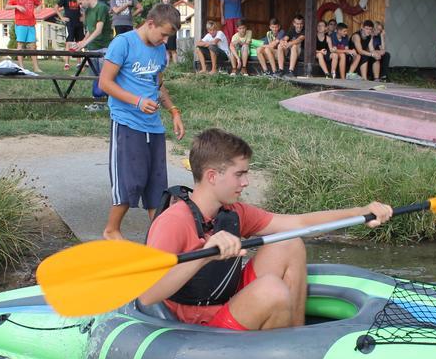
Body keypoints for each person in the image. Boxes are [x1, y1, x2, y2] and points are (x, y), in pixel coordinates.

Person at [142, 128, 392, 330]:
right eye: (239, 174)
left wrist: (359, 212)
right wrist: (204, 257)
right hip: (195, 328)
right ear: (212, 176)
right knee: (271, 289)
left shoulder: (233, 212)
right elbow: (147, 295)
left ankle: (298, 339)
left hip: (225, 304)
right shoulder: (173, 222)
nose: (246, 182)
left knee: (288, 242)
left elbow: (299, 224)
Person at [97, 3, 186, 240]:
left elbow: (158, 85)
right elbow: (104, 83)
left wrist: (174, 111)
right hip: (126, 122)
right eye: (163, 34)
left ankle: (159, 236)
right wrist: (136, 101)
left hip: (153, 126)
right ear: (150, 23)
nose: (165, 41)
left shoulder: (159, 51)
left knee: (156, 183)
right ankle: (112, 230)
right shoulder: (123, 43)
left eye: (169, 36)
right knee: (130, 180)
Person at [5, 0, 44, 73]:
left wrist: (39, 7)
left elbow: (39, 3)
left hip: (31, 23)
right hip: (21, 23)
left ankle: (36, 67)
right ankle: (21, 67)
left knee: (33, 46)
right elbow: (6, 7)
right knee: (20, 44)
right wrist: (16, 6)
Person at [72, 0, 109, 76]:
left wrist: (84, 43)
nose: (80, 6)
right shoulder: (88, 11)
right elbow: (91, 30)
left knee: (103, 79)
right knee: (93, 79)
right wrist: (82, 42)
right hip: (92, 48)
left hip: (103, 48)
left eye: (80, 3)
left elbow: (98, 30)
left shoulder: (101, 7)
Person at [57, 0, 84, 70]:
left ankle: (79, 63)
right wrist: (62, 17)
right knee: (69, 42)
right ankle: (66, 63)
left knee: (79, 42)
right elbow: (55, 8)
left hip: (79, 23)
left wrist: (83, 17)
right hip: (70, 23)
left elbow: (83, 9)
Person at [161, 0, 178, 65]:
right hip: (163, 32)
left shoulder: (174, 10)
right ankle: (167, 66)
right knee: (166, 50)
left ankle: (176, 66)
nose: (167, 1)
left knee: (173, 50)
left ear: (170, 0)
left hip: (171, 31)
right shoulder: (160, 10)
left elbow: (177, 21)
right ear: (162, 0)